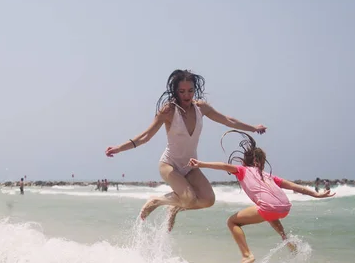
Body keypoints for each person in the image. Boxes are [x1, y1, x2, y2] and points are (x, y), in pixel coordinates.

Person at [105, 69, 267, 231]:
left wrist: (253, 128)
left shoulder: (201, 108)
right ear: (175, 91)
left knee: (208, 200)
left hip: (190, 165)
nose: (186, 95)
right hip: (169, 165)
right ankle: (156, 201)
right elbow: (146, 136)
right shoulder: (168, 111)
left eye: (190, 91)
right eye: (182, 91)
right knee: (189, 199)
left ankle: (174, 207)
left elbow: (227, 120)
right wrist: (119, 148)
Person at [187, 131, 334, 263]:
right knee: (271, 214)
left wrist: (201, 164)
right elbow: (293, 185)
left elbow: (224, 166)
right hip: (285, 207)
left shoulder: (242, 170)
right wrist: (316, 195)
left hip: (270, 208)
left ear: (245, 161)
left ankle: (247, 255)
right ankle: (286, 240)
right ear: (261, 163)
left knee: (232, 222)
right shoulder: (269, 176)